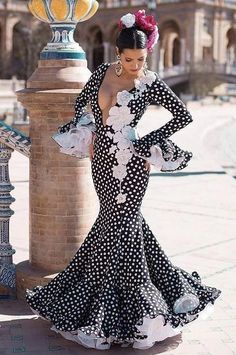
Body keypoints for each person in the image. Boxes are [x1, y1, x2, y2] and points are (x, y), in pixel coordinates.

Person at [26, 10, 222, 351]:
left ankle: (137, 311)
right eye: (129, 59)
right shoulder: (102, 71)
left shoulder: (149, 82)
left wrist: (146, 142)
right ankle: (109, 302)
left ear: (148, 54)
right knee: (114, 225)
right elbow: (81, 105)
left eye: (141, 59)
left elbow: (183, 116)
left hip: (132, 166)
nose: (135, 65)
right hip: (101, 162)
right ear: (118, 54)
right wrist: (88, 130)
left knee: (125, 226)